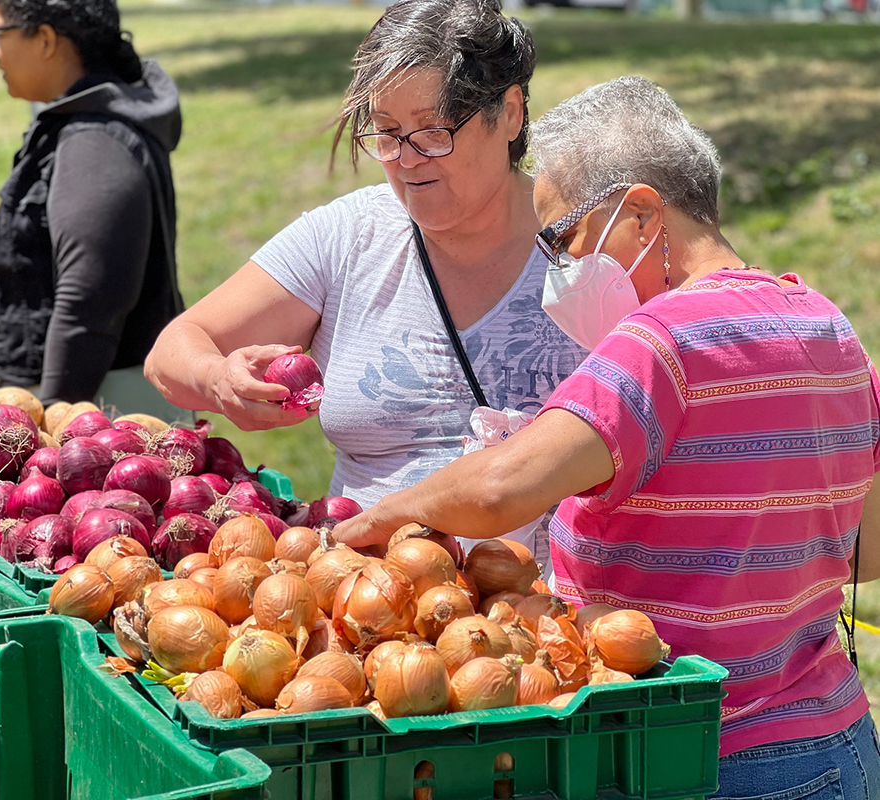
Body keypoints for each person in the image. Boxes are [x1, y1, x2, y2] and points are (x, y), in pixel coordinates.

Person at [335, 76, 880, 799]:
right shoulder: (832, 329)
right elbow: (867, 554)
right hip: (836, 749)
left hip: (694, 761)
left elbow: (501, 489)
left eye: (563, 239)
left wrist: (378, 518)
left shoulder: (658, 344)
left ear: (645, 213)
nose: (557, 270)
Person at [145, 0, 587, 560]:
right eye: (386, 133)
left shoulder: (591, 236)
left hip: (563, 618)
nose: (406, 159)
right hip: (367, 609)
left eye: (432, 132)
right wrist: (219, 380)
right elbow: (170, 353)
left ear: (510, 112)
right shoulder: (350, 236)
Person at [0, 0, 186, 420]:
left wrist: (50, 420)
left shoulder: (96, 139)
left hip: (98, 410)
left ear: (44, 39)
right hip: (84, 398)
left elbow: (92, 298)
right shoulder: (86, 123)